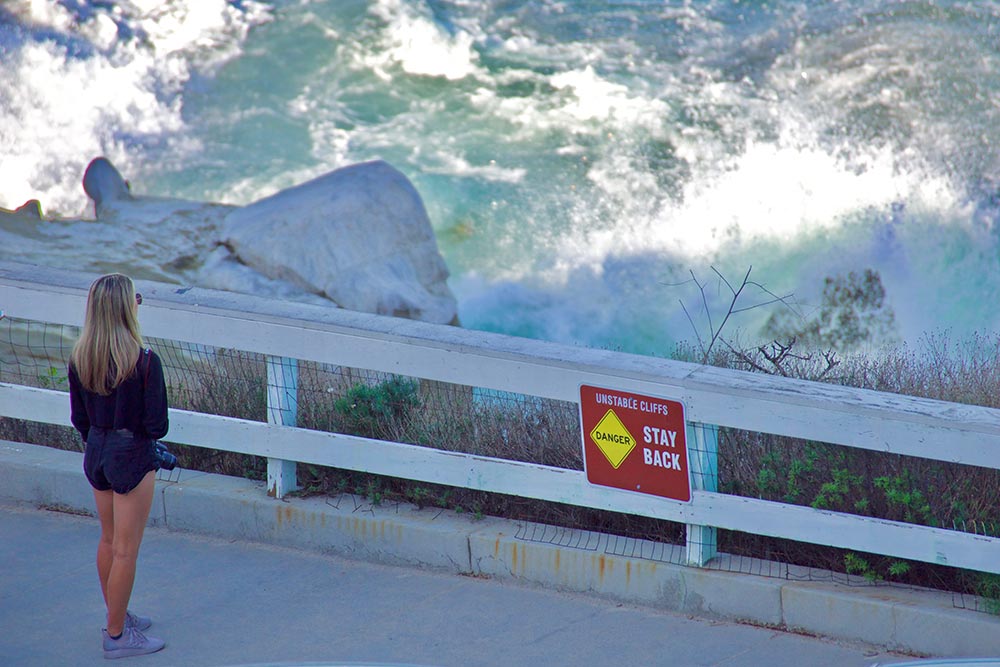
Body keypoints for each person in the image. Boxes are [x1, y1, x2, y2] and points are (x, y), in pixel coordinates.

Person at [68, 273, 168, 659]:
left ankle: (118, 614)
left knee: (109, 540)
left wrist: (101, 440)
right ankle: (116, 635)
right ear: (127, 308)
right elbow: (157, 426)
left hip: (96, 452)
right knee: (126, 550)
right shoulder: (145, 362)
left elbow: (79, 419)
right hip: (131, 457)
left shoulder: (80, 358)